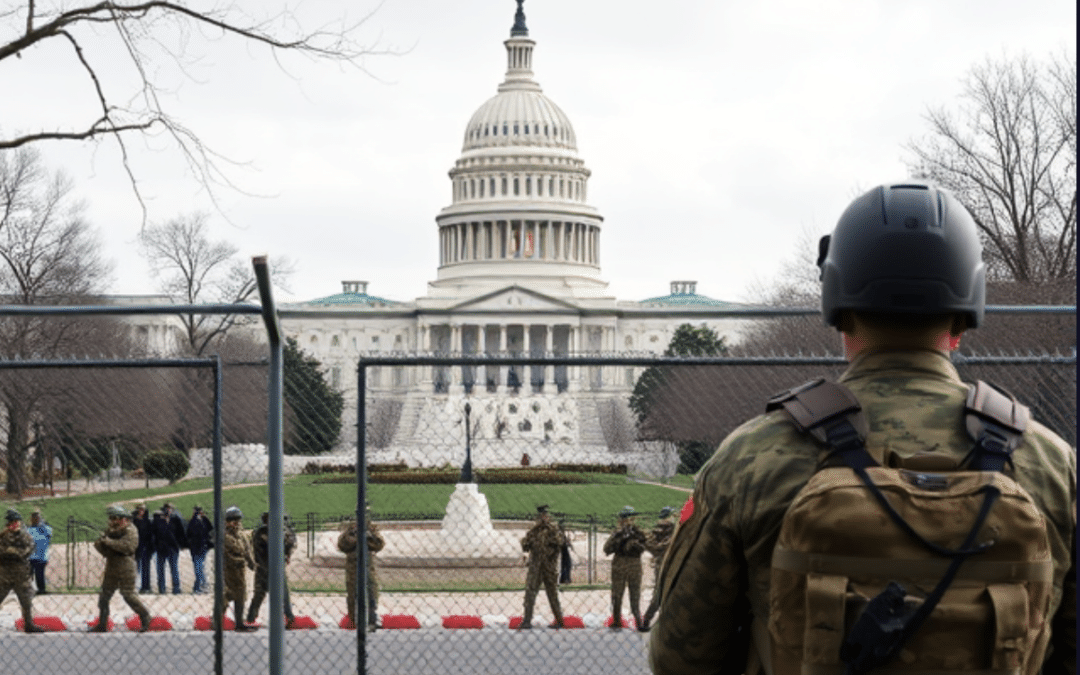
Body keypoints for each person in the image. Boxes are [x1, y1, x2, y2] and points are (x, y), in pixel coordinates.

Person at [649, 182, 1076, 674]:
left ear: (837, 310)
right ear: (965, 316)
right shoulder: (1050, 463)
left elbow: (681, 657)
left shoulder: (754, 457)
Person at [92, 504, 151, 633]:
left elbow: (128, 547)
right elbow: (106, 552)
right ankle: (102, 624)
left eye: (115, 518)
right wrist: (100, 544)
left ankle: (145, 616)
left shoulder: (131, 530)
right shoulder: (111, 532)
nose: (112, 521)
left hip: (126, 567)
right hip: (112, 566)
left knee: (128, 595)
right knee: (104, 596)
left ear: (123, 519)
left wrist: (109, 542)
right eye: (111, 518)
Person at [518, 504, 565, 629]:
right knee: (530, 593)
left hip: (549, 567)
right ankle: (527, 620)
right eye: (540, 516)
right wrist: (527, 538)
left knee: (552, 594)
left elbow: (560, 543)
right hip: (535, 567)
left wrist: (551, 530)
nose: (543, 518)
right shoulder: (534, 531)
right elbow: (525, 545)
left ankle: (559, 619)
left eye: (545, 516)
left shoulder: (553, 530)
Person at [247, 511, 297, 627]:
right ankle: (251, 618)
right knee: (259, 594)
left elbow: (290, 544)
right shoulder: (261, 533)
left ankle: (289, 617)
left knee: (284, 594)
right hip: (263, 568)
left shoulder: (285, 532)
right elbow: (259, 552)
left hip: (278, 569)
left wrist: (284, 539)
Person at [337, 513, 385, 630]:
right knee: (353, 592)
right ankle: (354, 619)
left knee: (371, 591)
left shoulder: (371, 528)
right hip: (353, 566)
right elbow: (342, 545)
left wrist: (367, 537)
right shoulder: (350, 529)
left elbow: (379, 544)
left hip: (368, 565)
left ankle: (372, 618)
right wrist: (355, 537)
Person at [603, 505, 646, 630]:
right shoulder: (621, 533)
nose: (630, 522)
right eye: (628, 519)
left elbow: (643, 546)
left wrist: (630, 541)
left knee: (631, 594)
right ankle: (621, 621)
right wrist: (620, 537)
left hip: (630, 564)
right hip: (624, 563)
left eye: (631, 519)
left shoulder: (636, 533)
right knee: (620, 594)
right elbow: (607, 549)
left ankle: (635, 621)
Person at [0, 509, 43, 632]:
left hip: (21, 575)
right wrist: (13, 552)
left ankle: (29, 624)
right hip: (5, 575)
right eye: (13, 522)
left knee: (26, 601)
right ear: (8, 524)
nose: (15, 525)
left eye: (17, 522)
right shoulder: (3, 536)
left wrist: (13, 552)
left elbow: (28, 550)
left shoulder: (25, 536)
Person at [639, 505, 674, 632]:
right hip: (669, 563)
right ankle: (649, 618)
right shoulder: (672, 530)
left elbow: (649, 544)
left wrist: (657, 552)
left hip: (662, 563)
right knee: (663, 592)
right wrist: (662, 549)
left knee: (660, 593)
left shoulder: (657, 531)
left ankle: (648, 619)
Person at [222, 506, 257, 631]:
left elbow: (247, 551)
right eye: (232, 520)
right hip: (228, 571)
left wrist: (252, 564)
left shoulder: (241, 536)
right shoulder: (225, 537)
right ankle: (218, 620)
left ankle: (239, 623)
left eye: (237, 520)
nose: (236, 523)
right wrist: (242, 561)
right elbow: (229, 555)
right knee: (226, 596)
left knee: (241, 596)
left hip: (240, 572)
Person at [185, 505, 213, 594]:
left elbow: (189, 534)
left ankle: (200, 586)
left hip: (198, 547)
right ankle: (203, 585)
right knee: (200, 566)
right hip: (200, 547)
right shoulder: (198, 521)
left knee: (199, 567)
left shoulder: (196, 521)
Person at [27, 509, 52, 595]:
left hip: (41, 556)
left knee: (39, 573)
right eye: (34, 518)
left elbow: (49, 534)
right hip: (30, 556)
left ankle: (41, 589)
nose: (35, 519)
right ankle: (27, 589)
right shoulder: (28, 529)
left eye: (37, 518)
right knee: (27, 574)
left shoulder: (45, 528)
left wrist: (42, 525)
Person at [132, 503, 153, 593]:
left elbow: (151, 535)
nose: (141, 511)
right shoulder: (134, 521)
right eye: (140, 510)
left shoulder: (147, 521)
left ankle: (146, 587)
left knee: (146, 569)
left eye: (143, 510)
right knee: (135, 568)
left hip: (146, 548)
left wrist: (151, 547)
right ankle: (134, 587)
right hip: (136, 547)